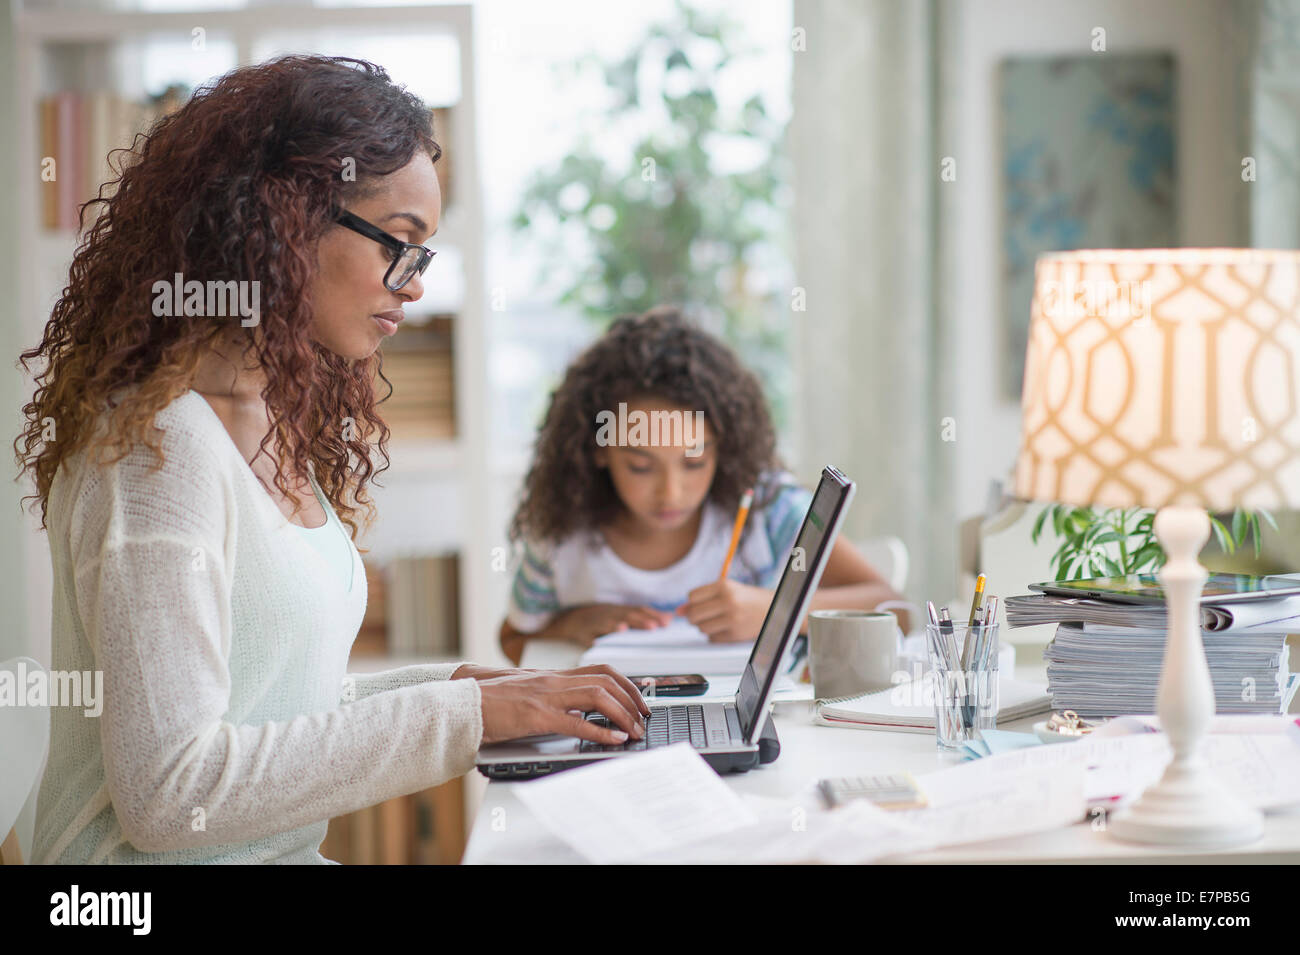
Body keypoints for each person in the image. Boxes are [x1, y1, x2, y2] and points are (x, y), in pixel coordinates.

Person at [13, 55, 646, 865]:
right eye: (401, 245)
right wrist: (467, 720)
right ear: (286, 219)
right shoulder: (156, 452)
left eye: (424, 257)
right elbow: (171, 793)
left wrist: (459, 690)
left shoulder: (261, 415)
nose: (412, 287)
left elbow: (273, 707)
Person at [499, 307, 908, 666]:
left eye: (694, 463)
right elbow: (512, 639)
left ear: (724, 448)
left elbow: (897, 610)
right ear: (598, 450)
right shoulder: (560, 535)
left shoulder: (769, 511)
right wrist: (573, 623)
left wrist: (777, 611)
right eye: (641, 466)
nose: (671, 493)